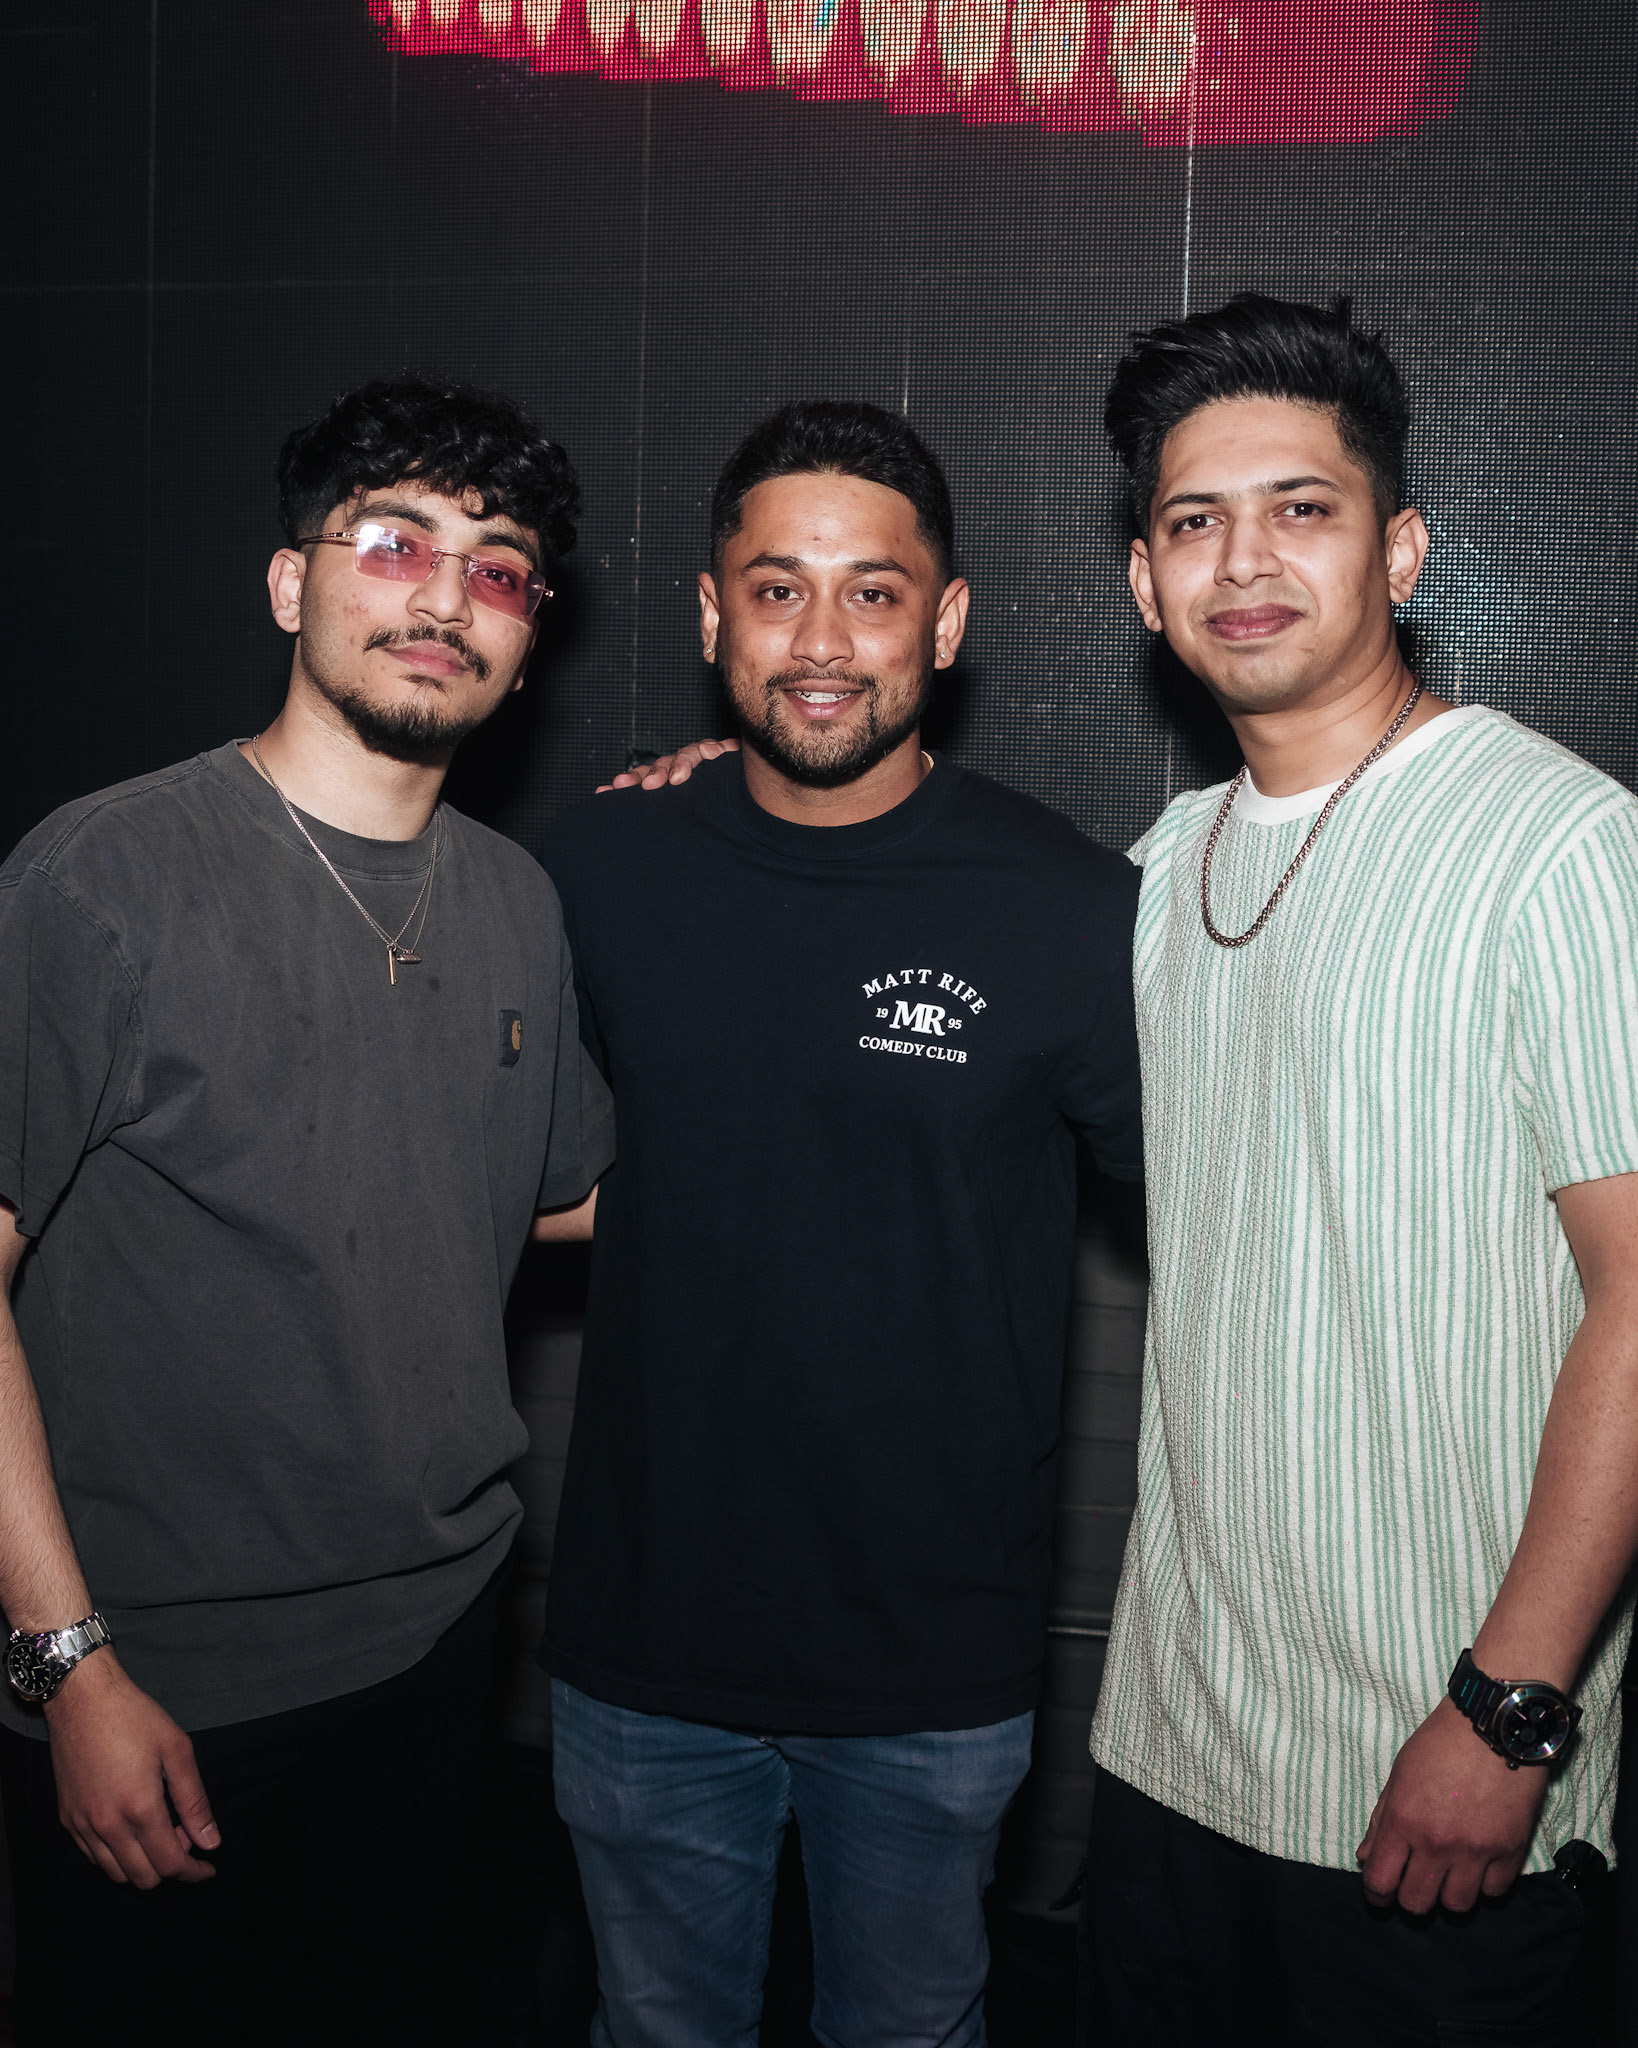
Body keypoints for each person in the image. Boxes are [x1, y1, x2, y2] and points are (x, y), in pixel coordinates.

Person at [0, 375, 614, 2047]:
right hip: (159, 1682)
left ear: (528, 638)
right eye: (394, 544)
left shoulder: (517, 900)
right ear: (292, 584)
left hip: (434, 1648)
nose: (444, 598)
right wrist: (68, 1671)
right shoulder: (104, 875)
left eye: (497, 569)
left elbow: (563, 1200)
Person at [532, 399, 1144, 2048]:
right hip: (639, 1650)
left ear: (943, 623)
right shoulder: (596, 868)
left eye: (871, 593)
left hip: (929, 1667)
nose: (819, 641)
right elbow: (501, 1178)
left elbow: (1231, 1216)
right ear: (710, 614)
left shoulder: (1071, 910)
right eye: (775, 589)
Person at [1073, 295, 1638, 2042]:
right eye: (1193, 521)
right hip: (1171, 1754)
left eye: (1300, 509)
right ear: (1144, 584)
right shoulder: (1157, 867)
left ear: (1396, 552)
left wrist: (1506, 1715)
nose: (1243, 560)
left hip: (1437, 1773)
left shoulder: (1561, 842)